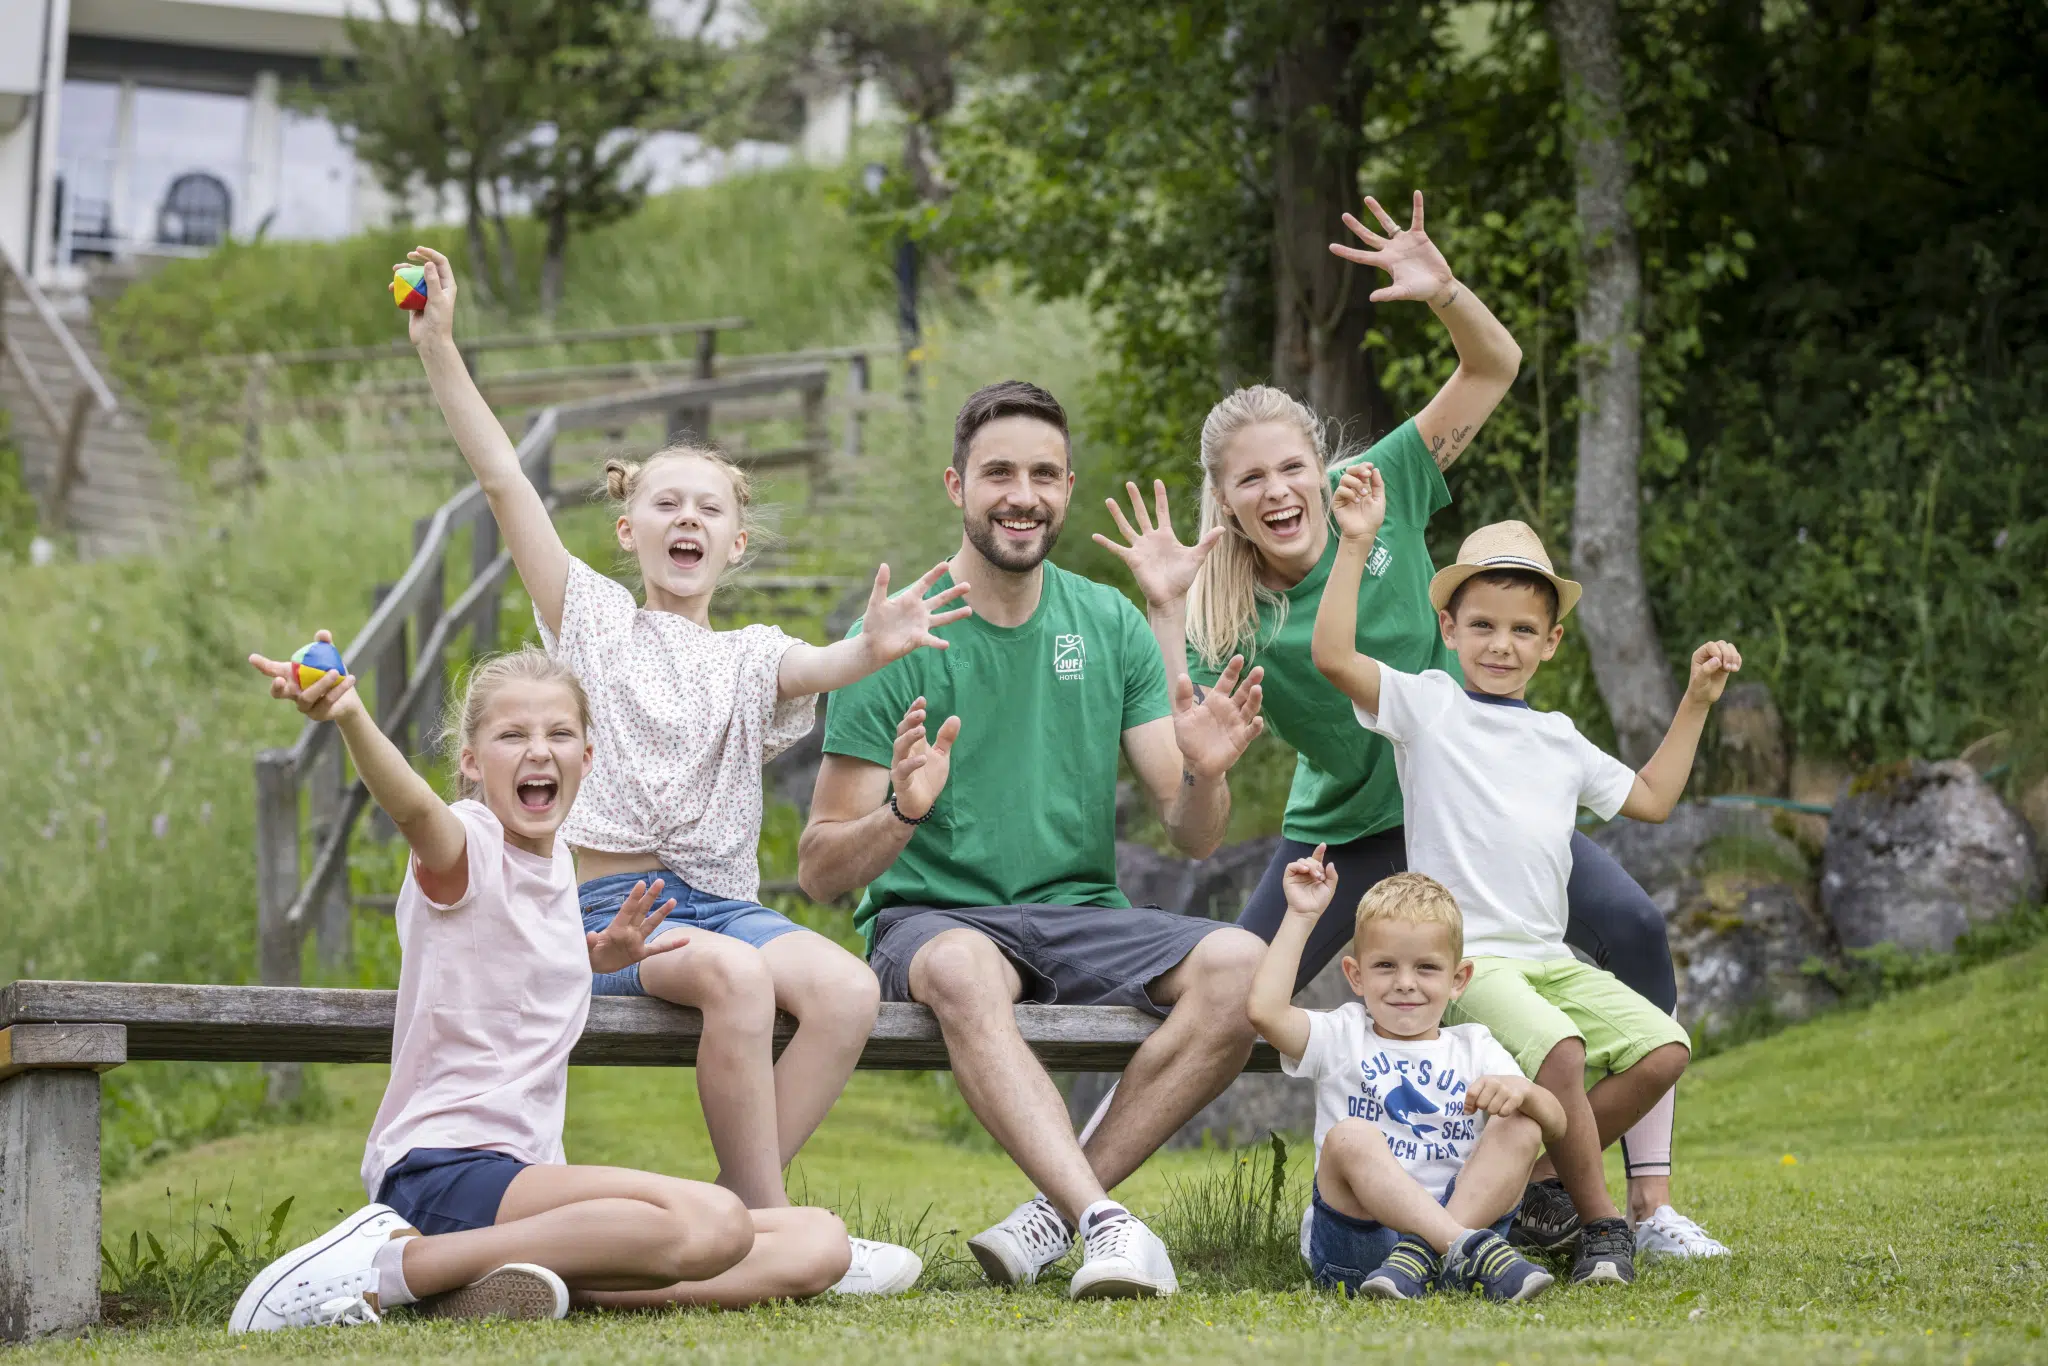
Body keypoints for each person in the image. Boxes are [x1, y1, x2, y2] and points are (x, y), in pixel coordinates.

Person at [1093, 191, 1727, 1262]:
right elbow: (1188, 772)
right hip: (1342, 830)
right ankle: (1078, 1195)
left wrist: (1445, 295)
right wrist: (1161, 613)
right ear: (1226, 499)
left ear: (1320, 460)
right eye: (1250, 479)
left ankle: (1637, 1204)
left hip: (1474, 804)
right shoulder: (1218, 603)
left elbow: (1492, 370)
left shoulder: (1374, 486)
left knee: (1632, 930)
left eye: (1290, 464)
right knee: (1235, 986)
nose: (1278, 489)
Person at [403, 246, 964, 1293]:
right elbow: (500, 479)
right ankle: (764, 1225)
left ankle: (725, 1212)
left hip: (718, 901)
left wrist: (874, 645)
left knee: (843, 990)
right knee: (734, 975)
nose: (688, 520)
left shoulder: (750, 655)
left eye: (709, 509)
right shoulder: (593, 622)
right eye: (667, 505)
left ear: (737, 542)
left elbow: (824, 662)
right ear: (628, 531)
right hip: (610, 905)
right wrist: (440, 348)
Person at [798, 380, 1270, 1300]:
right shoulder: (895, 638)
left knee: (1246, 968)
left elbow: (1192, 837)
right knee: (967, 970)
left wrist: (1208, 772)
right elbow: (818, 868)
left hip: (1078, 915)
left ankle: (1054, 1215)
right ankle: (1105, 1222)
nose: (1024, 494)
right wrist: (899, 811)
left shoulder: (1109, 624)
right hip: (935, 923)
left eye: (1044, 475)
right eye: (1000, 473)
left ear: (1067, 487)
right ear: (955, 485)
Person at [231, 640, 852, 1333]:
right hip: (443, 1166)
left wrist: (596, 956)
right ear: (471, 761)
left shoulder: (558, 865)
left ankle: (499, 1283)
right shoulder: (467, 842)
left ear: (586, 759)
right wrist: (349, 714)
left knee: (816, 1243)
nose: (538, 750)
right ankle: (388, 1267)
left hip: (522, 1180)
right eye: (512, 735)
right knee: (715, 1222)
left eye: (559, 734)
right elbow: (414, 813)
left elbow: (505, 962)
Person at [1309, 471, 1741, 1285]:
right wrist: (1356, 542)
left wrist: (1695, 701)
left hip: (1549, 957)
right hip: (1475, 963)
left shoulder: (1559, 738)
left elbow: (1650, 799)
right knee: (1563, 1051)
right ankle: (1603, 1226)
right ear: (1449, 629)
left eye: (1520, 630)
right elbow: (1332, 655)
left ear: (1552, 642)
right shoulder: (1428, 707)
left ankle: (1539, 1181)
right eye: (1481, 626)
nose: (1499, 645)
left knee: (1664, 1047)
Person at [1249, 858, 1565, 1301]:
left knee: (1522, 1122)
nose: (1404, 983)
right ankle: (1463, 1248)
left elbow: (1556, 1124)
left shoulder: (1475, 1045)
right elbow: (1264, 1012)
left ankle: (1427, 1254)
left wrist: (1525, 1092)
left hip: (1459, 1224)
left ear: (1459, 979)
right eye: (1384, 966)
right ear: (1356, 976)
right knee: (1350, 1137)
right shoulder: (1342, 1034)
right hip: (1361, 1247)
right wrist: (1302, 915)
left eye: (1426, 968)